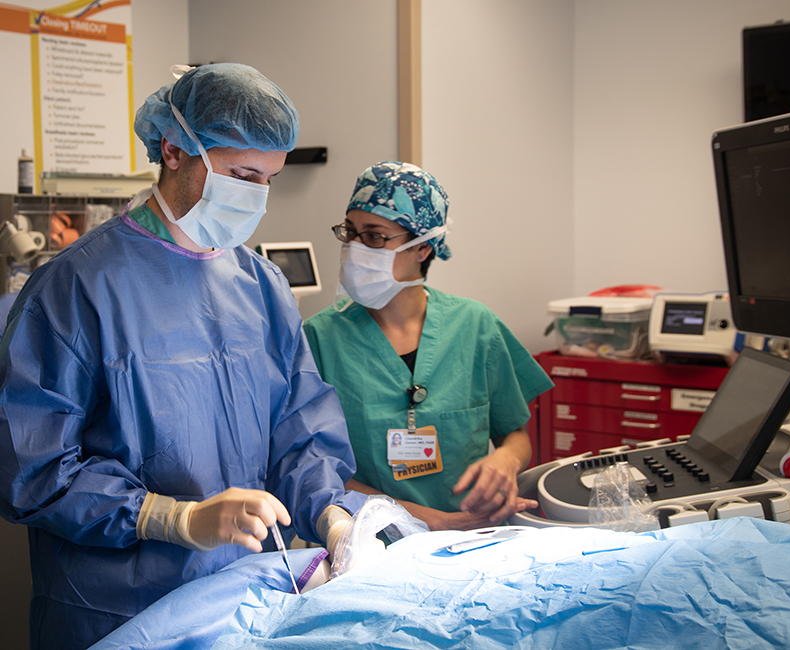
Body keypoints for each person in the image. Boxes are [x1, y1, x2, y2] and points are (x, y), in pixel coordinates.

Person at [0, 63, 363, 650]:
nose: (258, 195)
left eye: (269, 178)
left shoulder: (262, 286)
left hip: (244, 602)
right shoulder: (76, 287)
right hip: (114, 613)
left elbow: (298, 426)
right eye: (242, 175)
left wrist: (331, 514)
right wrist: (173, 518)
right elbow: (33, 467)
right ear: (173, 150)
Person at [303, 162, 554, 532]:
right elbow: (316, 470)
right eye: (350, 232)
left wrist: (506, 461)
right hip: (371, 540)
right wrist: (428, 522)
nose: (354, 248)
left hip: (474, 534)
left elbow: (514, 435)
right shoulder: (320, 339)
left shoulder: (475, 326)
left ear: (421, 247)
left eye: (374, 237)